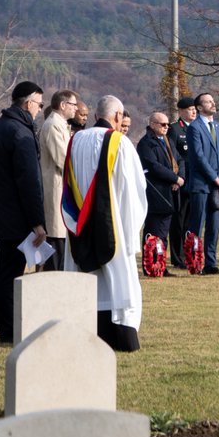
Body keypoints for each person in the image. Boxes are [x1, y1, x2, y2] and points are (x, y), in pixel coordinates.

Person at [62, 95, 148, 352]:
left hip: (80, 221)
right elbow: (133, 191)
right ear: (118, 116)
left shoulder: (75, 141)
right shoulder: (120, 143)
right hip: (113, 224)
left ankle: (84, 332)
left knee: (86, 279)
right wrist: (131, 231)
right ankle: (121, 335)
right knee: (118, 282)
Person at [0, 81, 47, 344]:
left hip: (0, 210)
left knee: (5, 271)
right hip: (17, 215)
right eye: (40, 105)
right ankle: (9, 328)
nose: (40, 110)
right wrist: (37, 221)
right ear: (29, 103)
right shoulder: (20, 133)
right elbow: (28, 180)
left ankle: (5, 324)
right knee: (12, 273)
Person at [185, 92, 219, 275]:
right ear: (199, 107)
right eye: (208, 102)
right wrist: (215, 178)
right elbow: (198, 156)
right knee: (197, 225)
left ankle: (211, 263)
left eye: (213, 101)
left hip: (218, 187)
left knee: (214, 226)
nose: (213, 104)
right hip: (201, 185)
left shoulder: (218, 127)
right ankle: (194, 263)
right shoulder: (194, 128)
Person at [136, 112, 184, 268]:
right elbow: (153, 166)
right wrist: (174, 178)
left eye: (168, 124)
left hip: (170, 193)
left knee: (163, 233)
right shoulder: (146, 143)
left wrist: (180, 178)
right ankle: (151, 265)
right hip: (157, 193)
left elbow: (179, 160)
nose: (166, 127)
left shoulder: (167, 141)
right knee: (154, 231)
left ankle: (161, 265)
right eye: (163, 124)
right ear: (152, 124)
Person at [38, 89, 77, 271]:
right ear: (63, 105)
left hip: (61, 187)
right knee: (56, 240)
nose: (75, 108)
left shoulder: (60, 124)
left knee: (61, 241)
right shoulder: (53, 125)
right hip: (56, 187)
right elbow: (63, 159)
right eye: (73, 105)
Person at [167, 96, 196, 269]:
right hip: (182, 182)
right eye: (190, 109)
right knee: (179, 220)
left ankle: (190, 254)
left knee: (191, 221)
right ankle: (177, 257)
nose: (193, 112)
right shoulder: (175, 129)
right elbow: (172, 156)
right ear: (181, 111)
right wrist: (176, 178)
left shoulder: (197, 128)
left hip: (196, 182)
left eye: (194, 109)